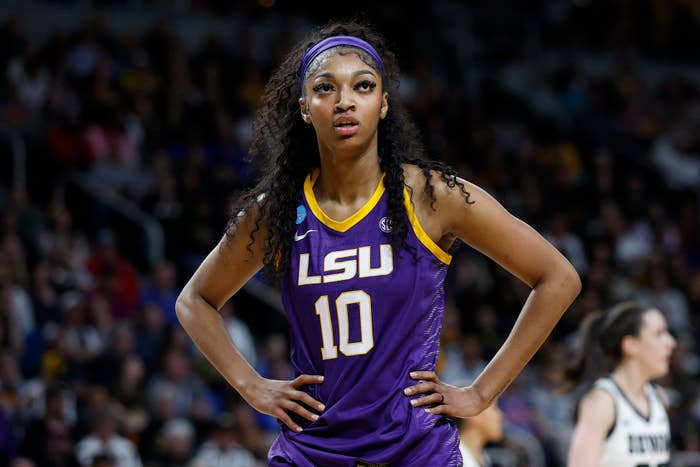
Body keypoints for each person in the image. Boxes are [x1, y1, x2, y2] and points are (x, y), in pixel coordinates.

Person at [176, 19, 581, 466]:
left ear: (384, 104)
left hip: (415, 449)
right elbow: (195, 300)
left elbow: (558, 278)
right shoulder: (278, 209)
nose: (345, 101)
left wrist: (483, 392)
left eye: (363, 86)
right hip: (312, 449)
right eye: (326, 88)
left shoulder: (431, 196)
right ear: (306, 108)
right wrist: (252, 386)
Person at [565, 301, 676, 467]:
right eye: (659, 334)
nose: (671, 342)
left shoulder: (660, 397)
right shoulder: (603, 402)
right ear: (631, 345)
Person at [458, 401, 504, 467]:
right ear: (474, 413)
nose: (500, 415)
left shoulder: (484, 458)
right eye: (494, 408)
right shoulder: (449, 458)